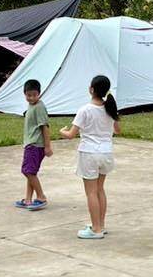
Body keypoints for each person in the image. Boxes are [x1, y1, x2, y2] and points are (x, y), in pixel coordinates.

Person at [60, 74, 120, 239]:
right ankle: (100, 224)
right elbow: (118, 130)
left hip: (89, 153)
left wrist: (61, 131)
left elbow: (71, 134)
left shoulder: (85, 110)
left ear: (91, 89)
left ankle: (96, 229)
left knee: (91, 193)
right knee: (100, 189)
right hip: (106, 153)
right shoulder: (110, 108)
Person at [15, 78, 52, 211]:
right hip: (30, 144)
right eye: (28, 95)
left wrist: (47, 146)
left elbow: (45, 127)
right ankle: (28, 199)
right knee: (31, 172)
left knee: (27, 171)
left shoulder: (39, 107)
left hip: (36, 145)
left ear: (39, 94)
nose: (31, 98)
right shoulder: (31, 106)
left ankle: (41, 196)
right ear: (24, 94)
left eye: (34, 95)